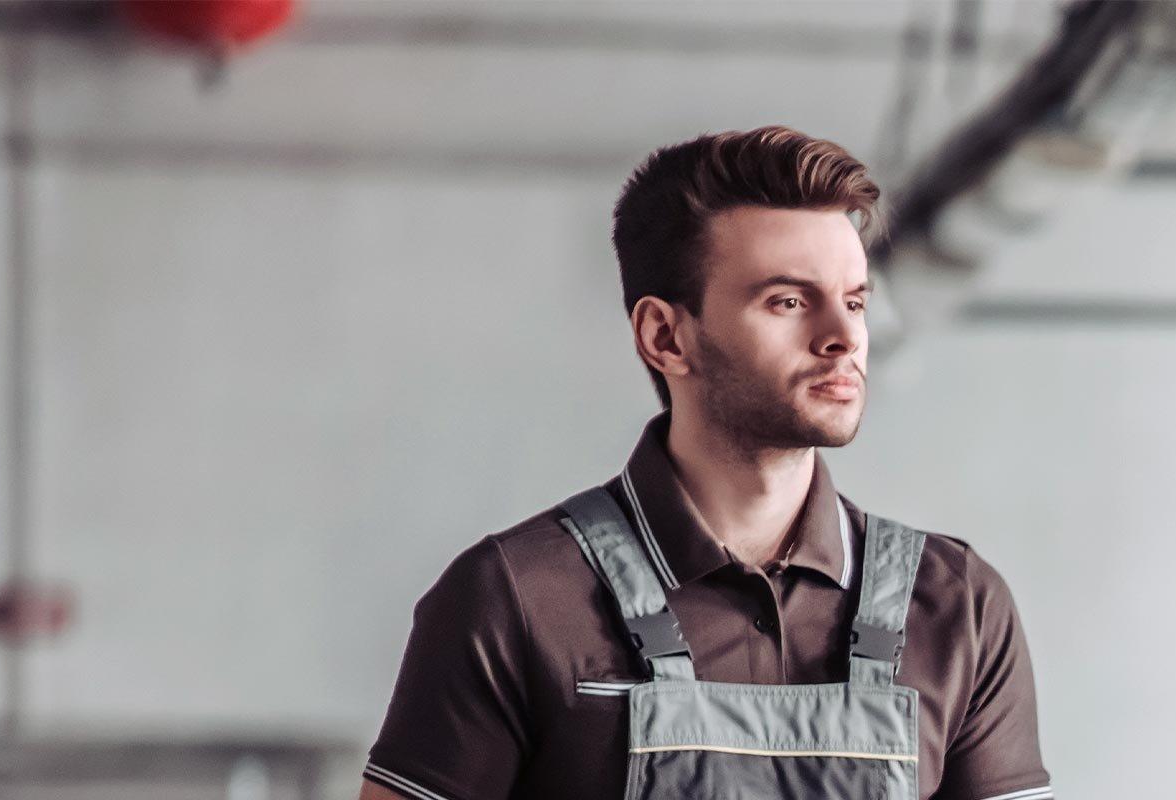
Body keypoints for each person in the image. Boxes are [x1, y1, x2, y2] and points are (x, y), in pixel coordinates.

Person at [359, 127, 1052, 800]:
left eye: (854, 302)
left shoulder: (959, 606)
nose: (843, 338)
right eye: (787, 301)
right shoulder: (516, 599)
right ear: (666, 336)